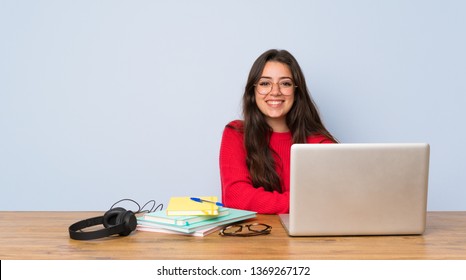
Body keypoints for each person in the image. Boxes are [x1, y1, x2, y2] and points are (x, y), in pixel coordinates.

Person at [219, 49, 337, 214]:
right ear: (253, 91)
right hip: (255, 236)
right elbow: (235, 197)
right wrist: (302, 203)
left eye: (285, 83)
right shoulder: (237, 133)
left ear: (296, 91)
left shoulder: (320, 144)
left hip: (308, 238)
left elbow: (336, 198)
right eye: (265, 83)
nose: (275, 92)